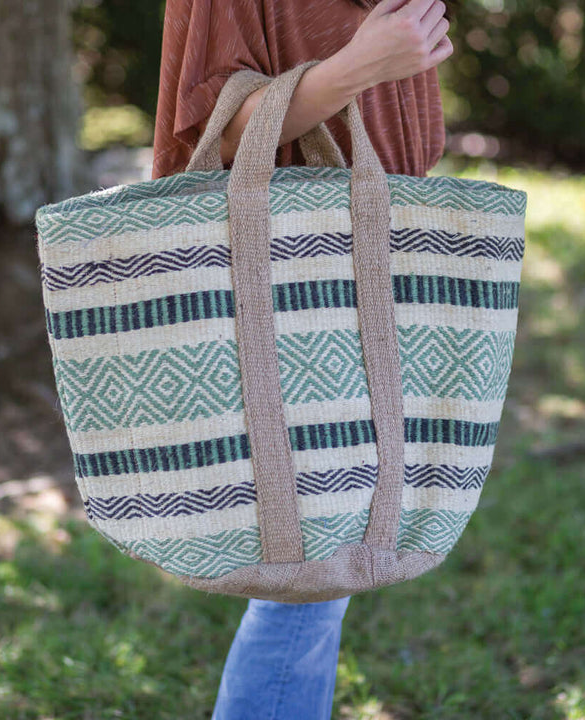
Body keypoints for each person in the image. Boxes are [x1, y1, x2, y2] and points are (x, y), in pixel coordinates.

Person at [151, 1, 455, 717]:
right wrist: (353, 69)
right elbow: (207, 133)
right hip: (290, 277)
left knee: (321, 575)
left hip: (369, 270)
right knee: (311, 576)